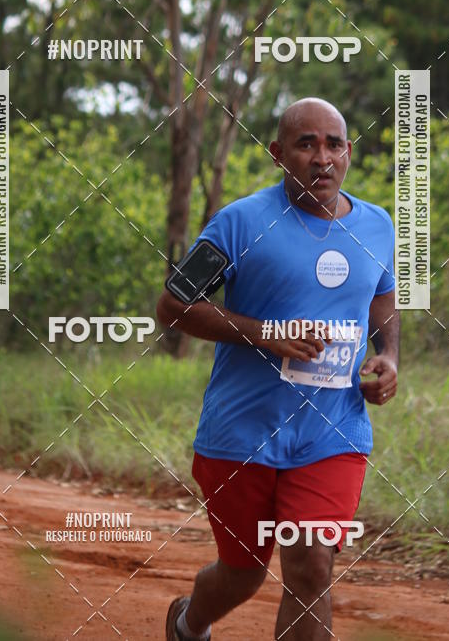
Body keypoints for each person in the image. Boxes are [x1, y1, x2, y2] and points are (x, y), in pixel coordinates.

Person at [157, 98, 400, 640]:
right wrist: (267, 334)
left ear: (349, 154)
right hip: (241, 433)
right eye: (306, 144)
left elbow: (383, 298)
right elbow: (173, 306)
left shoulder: (378, 226)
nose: (322, 158)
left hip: (332, 433)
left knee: (311, 567)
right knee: (243, 574)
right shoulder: (240, 223)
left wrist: (389, 356)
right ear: (278, 154)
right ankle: (189, 621)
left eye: (334, 145)